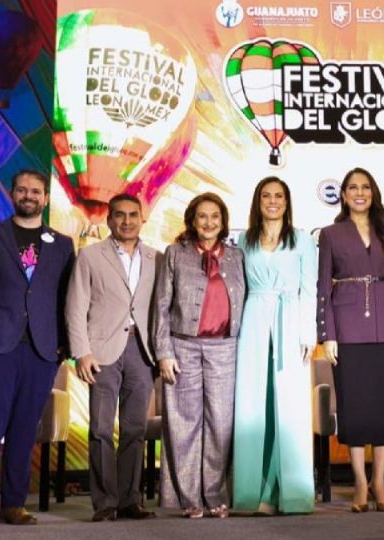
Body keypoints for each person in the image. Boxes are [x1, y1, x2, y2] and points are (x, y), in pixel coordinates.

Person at [0, 170, 75, 529]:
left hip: (42, 350)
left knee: (24, 430)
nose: (28, 196)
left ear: (46, 198)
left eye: (36, 191)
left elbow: (68, 298)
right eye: (22, 190)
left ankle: (13, 504)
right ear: (12, 194)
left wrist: (65, 344)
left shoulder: (63, 244)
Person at [317, 167, 384, 513]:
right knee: (355, 408)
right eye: (353, 188)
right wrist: (327, 334)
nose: (360, 193)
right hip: (347, 328)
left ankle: (379, 481)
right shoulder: (330, 234)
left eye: (365, 187)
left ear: (373, 194)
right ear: (344, 195)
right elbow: (323, 287)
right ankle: (360, 482)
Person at [65, 193, 160, 522]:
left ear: (142, 219)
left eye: (133, 215)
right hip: (101, 351)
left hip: (142, 351)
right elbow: (75, 306)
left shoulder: (157, 258)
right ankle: (105, 502)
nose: (127, 221)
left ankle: (130, 500)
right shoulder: (90, 256)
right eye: (120, 215)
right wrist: (81, 352)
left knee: (135, 429)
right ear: (109, 220)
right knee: (101, 429)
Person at [153, 192, 246, 518]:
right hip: (183, 347)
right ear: (192, 220)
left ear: (223, 222)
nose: (209, 222)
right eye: (202, 216)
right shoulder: (175, 254)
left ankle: (215, 494)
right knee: (184, 424)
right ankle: (189, 498)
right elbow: (161, 306)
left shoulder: (236, 256)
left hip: (225, 348)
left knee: (221, 424)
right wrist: (164, 351)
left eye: (215, 216)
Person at [233, 177, 317, 514]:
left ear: (287, 201)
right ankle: (253, 492)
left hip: (291, 321)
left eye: (278, 196)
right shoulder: (245, 239)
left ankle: (290, 492)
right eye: (266, 196)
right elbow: (238, 287)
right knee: (253, 405)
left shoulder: (302, 240)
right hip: (253, 320)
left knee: (290, 408)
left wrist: (308, 332)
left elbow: (310, 288)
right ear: (258, 201)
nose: (272, 201)